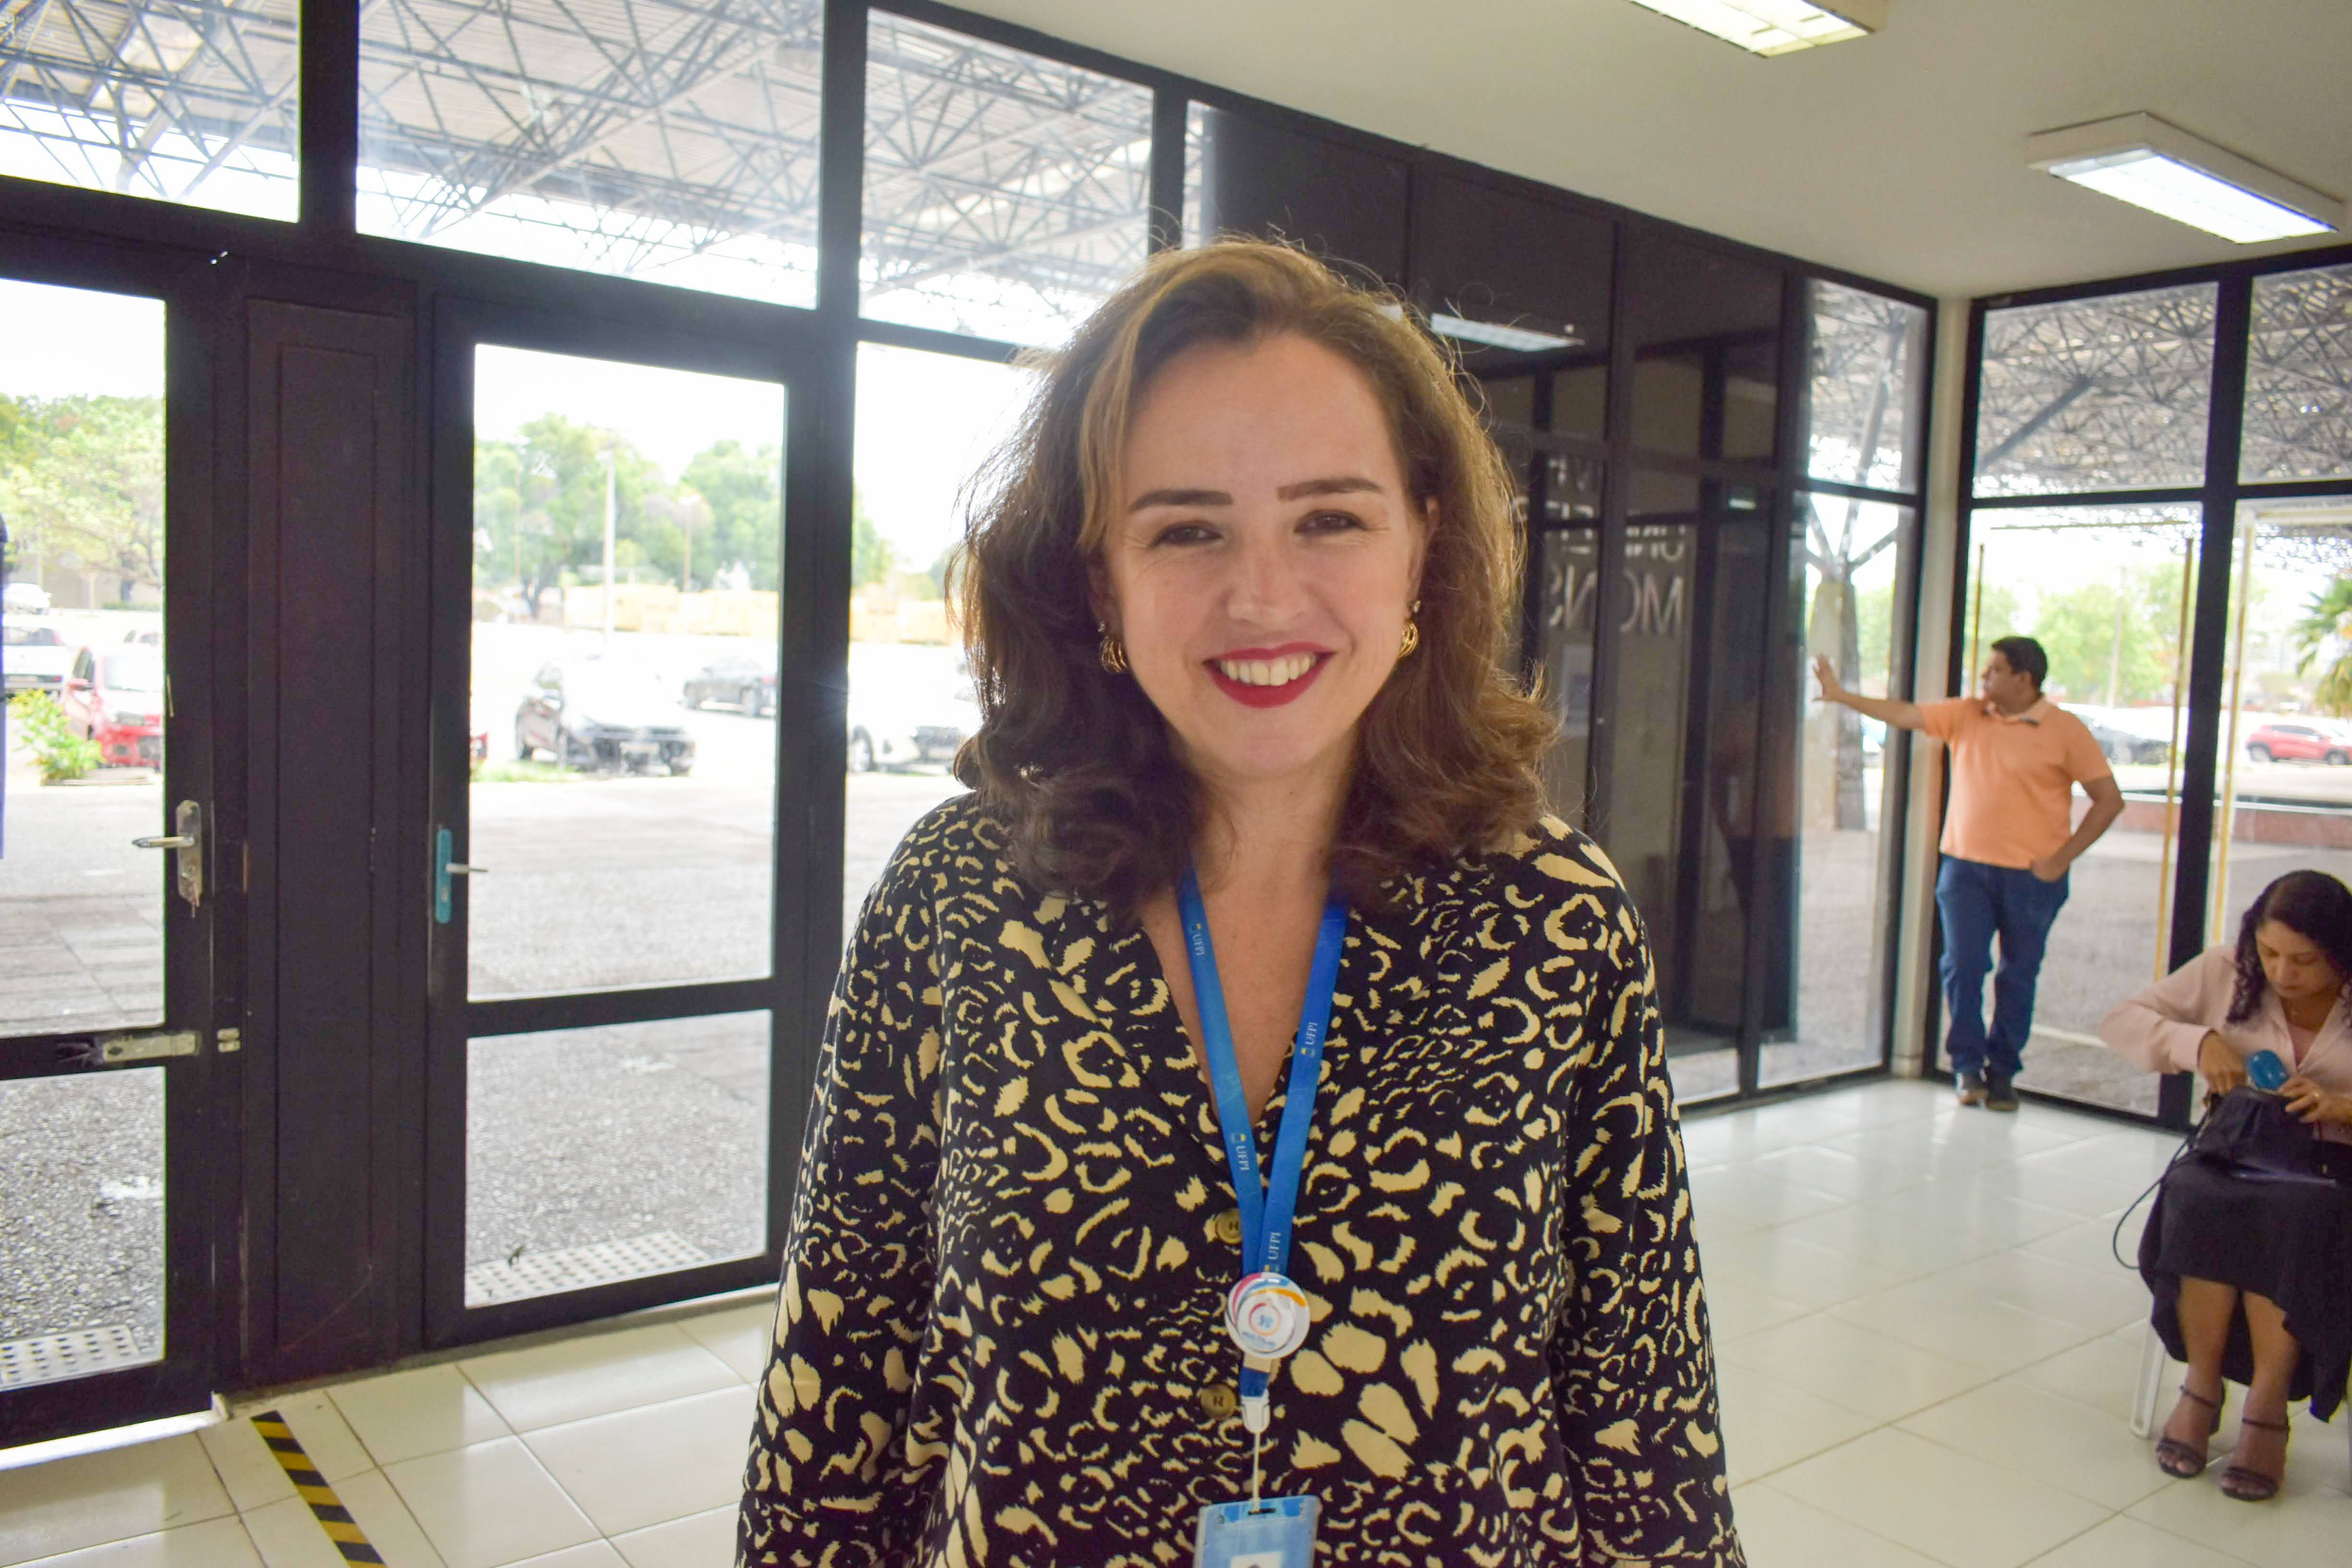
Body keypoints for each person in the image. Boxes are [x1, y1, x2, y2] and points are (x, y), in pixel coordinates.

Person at [737, 242, 1742, 1565]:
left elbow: (1644, 1408)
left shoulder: (1554, 919)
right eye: (1186, 528)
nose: (1260, 596)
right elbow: (836, 1372)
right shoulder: (961, 894)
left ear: (1422, 550)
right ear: (1099, 581)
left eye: (1330, 520)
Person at [2098, 869, 2352, 1502]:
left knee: (2292, 1214)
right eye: (2268, 953)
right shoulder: (2227, 970)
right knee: (2195, 1196)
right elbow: (2120, 1020)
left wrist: (2340, 1106)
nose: (2281, 973)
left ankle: (2266, 1406)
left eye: (2304, 960)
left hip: (2334, 1165)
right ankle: (2201, 1385)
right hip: (2239, 1148)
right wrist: (2197, 1041)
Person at [1814, 637, 2123, 1109]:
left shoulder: (2064, 729)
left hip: (2032, 878)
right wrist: (1840, 695)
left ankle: (2002, 1074)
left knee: (2018, 974)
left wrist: (2062, 858)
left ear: (2023, 679)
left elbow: (2109, 800)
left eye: (1994, 670)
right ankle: (1966, 1066)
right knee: (1962, 966)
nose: (1983, 678)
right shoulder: (1966, 714)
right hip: (1965, 871)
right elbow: (1904, 714)